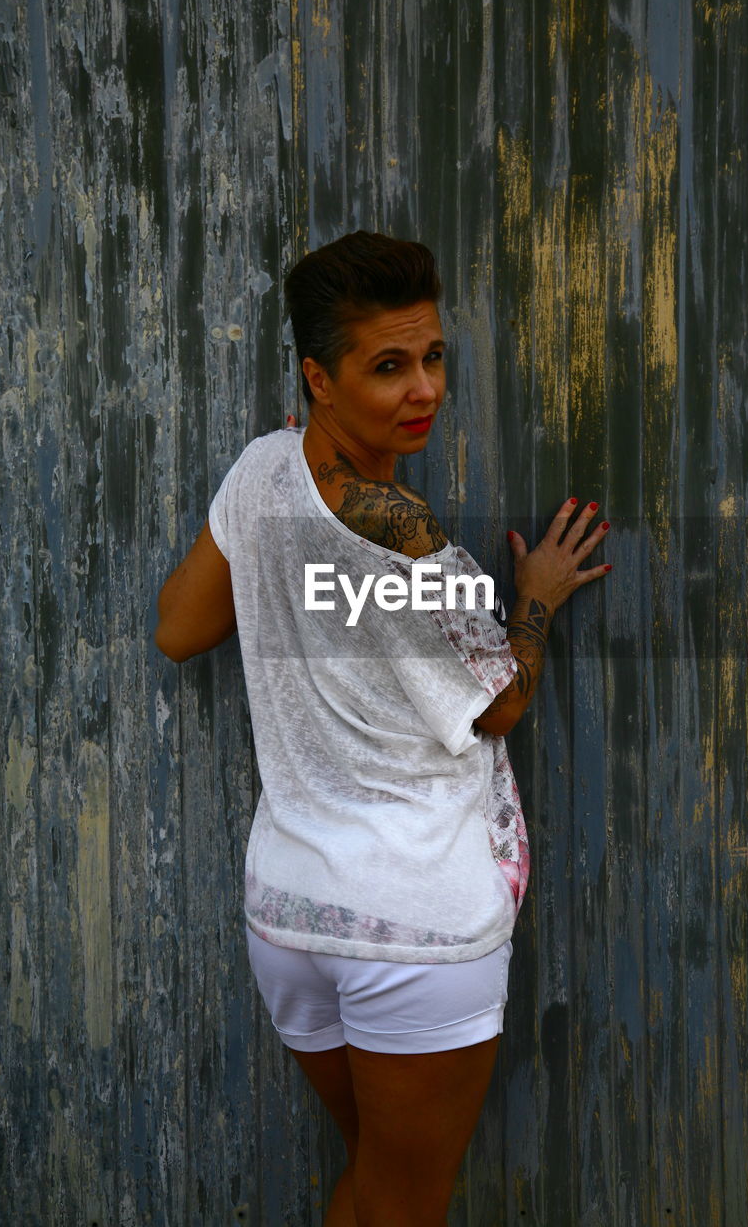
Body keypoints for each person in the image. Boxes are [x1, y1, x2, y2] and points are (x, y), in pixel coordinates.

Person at [154, 231, 610, 1226]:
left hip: (293, 911)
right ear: (318, 376)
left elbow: (179, 627)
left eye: (433, 356)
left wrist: (301, 581)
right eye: (387, 366)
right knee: (401, 1206)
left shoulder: (262, 472)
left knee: (372, 1188)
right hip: (414, 924)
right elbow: (500, 702)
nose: (423, 390)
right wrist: (528, 599)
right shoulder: (407, 540)